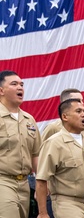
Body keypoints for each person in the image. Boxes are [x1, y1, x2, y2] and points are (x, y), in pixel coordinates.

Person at [0, 70, 41, 218]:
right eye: (14, 84)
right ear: (1, 90)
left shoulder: (29, 120)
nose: (20, 87)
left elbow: (36, 155)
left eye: (22, 84)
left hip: (24, 184)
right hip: (2, 181)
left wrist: (40, 184)